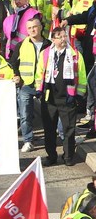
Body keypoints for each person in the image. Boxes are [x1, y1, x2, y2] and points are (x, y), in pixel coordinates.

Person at [36, 26, 87, 167]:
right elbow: (40, 73)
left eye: (65, 36)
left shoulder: (75, 54)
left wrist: (79, 95)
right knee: (49, 129)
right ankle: (51, 156)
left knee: (69, 129)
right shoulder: (46, 54)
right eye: (60, 37)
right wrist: (39, 89)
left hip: (68, 98)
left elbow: (82, 76)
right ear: (53, 39)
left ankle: (68, 156)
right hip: (50, 98)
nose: (64, 39)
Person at [11, 16, 48, 153]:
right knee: (25, 114)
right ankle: (28, 140)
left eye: (35, 27)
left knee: (49, 114)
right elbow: (13, 62)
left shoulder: (49, 44)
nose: (32, 30)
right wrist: (17, 76)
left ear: (40, 27)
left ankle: (53, 137)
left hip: (44, 85)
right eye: (29, 28)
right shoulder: (22, 44)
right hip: (26, 84)